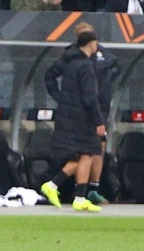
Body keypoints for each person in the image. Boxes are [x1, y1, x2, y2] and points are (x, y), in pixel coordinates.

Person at [40, 30, 104, 212]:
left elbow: (49, 76)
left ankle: (54, 186)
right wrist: (99, 122)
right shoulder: (86, 66)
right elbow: (90, 98)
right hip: (82, 117)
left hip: (68, 115)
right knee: (88, 153)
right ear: (91, 43)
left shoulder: (69, 61)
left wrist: (61, 98)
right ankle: (78, 196)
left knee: (81, 156)